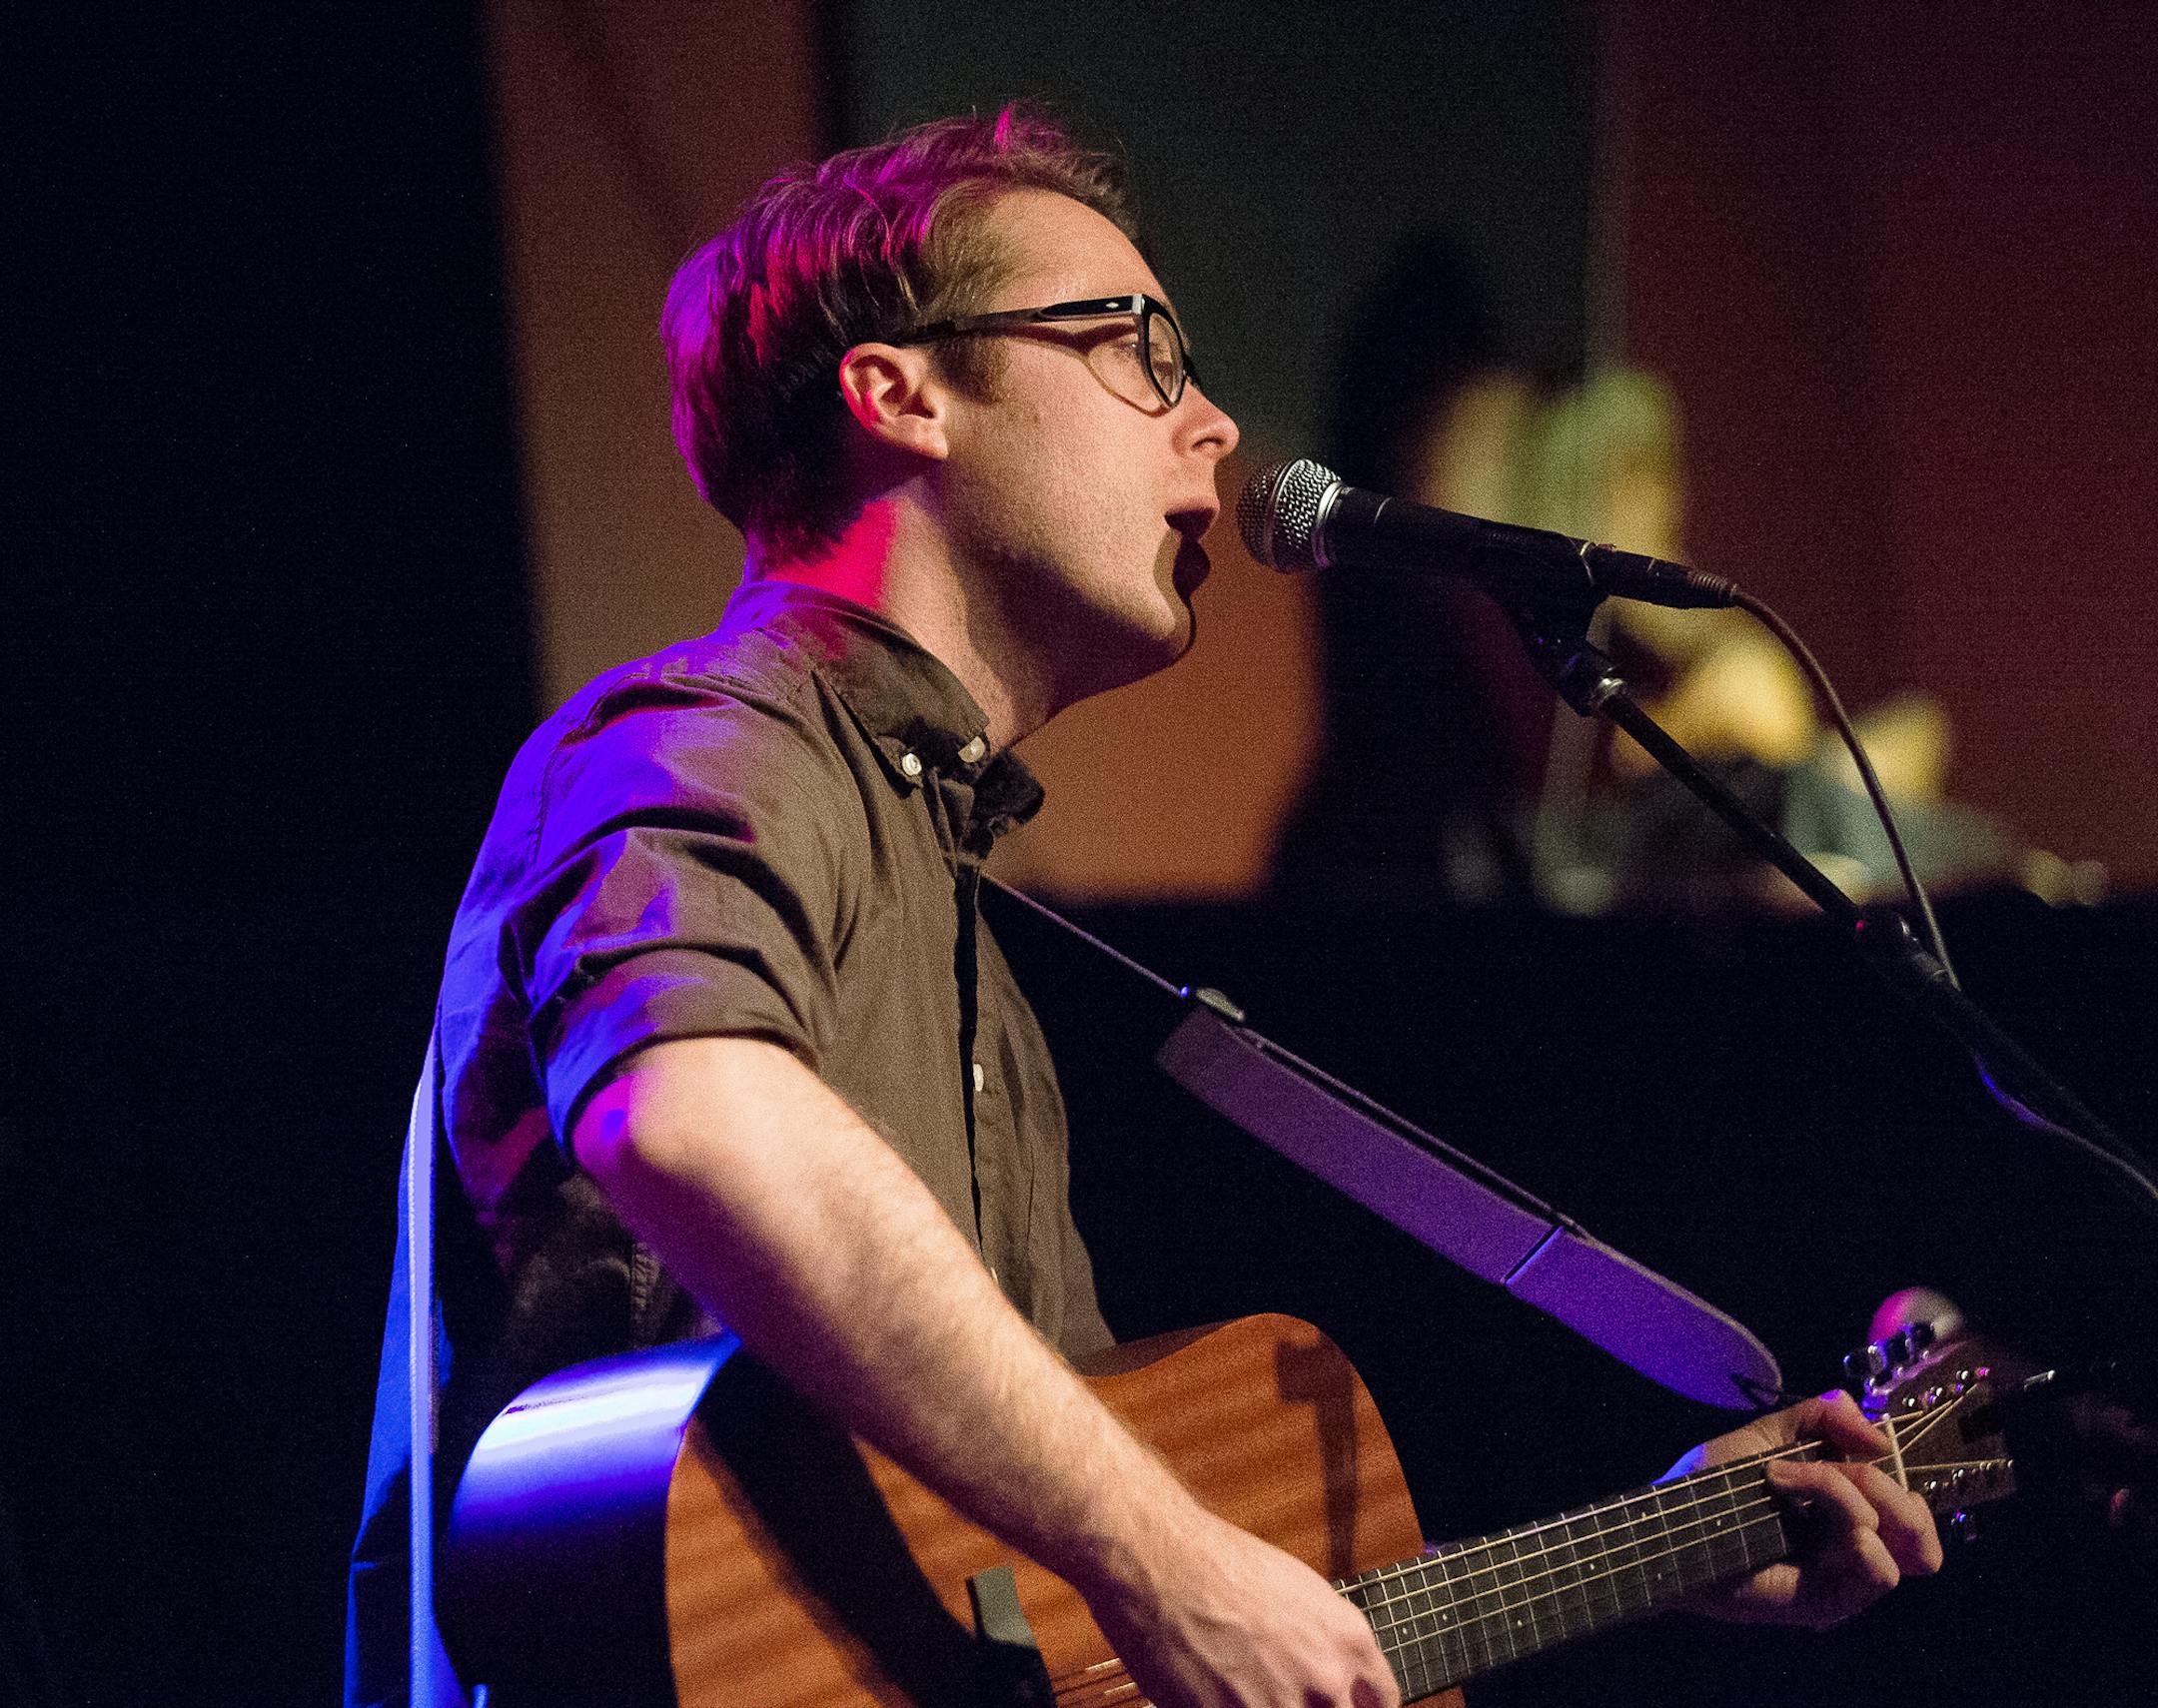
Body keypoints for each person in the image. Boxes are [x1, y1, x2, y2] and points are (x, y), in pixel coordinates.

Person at [347, 108, 1941, 1708]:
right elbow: (692, 1110)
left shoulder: (976, 944)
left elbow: (1069, 1613)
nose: (1219, 425)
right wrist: (1170, 1558)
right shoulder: (707, 740)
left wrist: (1666, 1545)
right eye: (1138, 348)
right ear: (899, 392)